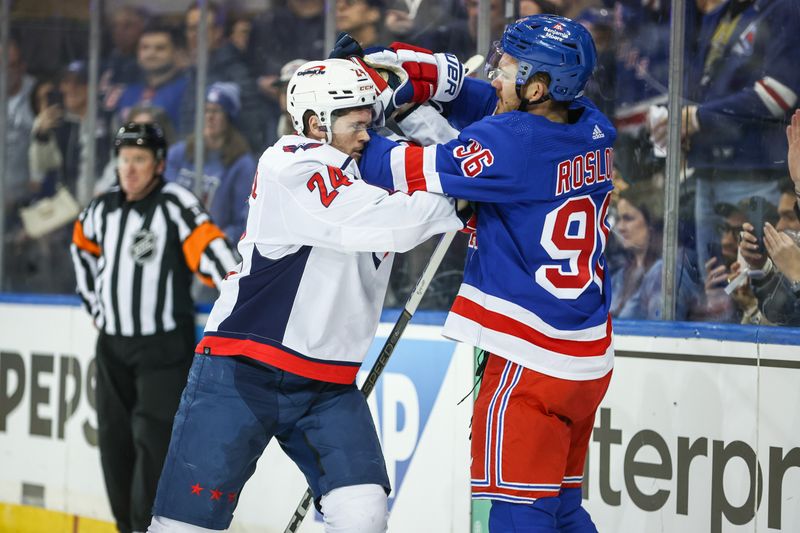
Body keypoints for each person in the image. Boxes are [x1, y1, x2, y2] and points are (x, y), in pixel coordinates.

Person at [147, 58, 463, 532]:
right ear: (316, 124)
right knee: (185, 527)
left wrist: (412, 108)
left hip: (325, 385)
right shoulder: (289, 163)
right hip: (240, 370)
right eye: (357, 124)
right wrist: (461, 191)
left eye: (370, 122)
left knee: (364, 515)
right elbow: (392, 220)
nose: (366, 136)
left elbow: (454, 159)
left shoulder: (372, 163)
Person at [356, 14, 616, 531]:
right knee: (563, 511)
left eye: (510, 67)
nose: (497, 73)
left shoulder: (511, 143)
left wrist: (357, 119)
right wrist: (439, 80)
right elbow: (502, 113)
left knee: (519, 518)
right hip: (586, 359)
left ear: (538, 86)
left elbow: (397, 169)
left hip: (529, 362)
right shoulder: (593, 126)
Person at [70, 123, 238, 533]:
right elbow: (81, 250)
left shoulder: (175, 203)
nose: (129, 168)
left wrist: (238, 293)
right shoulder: (101, 209)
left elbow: (211, 249)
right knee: (114, 445)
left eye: (140, 159)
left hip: (162, 349)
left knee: (152, 442)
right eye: (125, 159)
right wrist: (95, 305)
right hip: (112, 347)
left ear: (159, 164)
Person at [165, 82, 255, 244]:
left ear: (229, 117)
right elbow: (164, 198)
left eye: (216, 111)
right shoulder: (180, 153)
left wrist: (212, 243)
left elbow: (243, 223)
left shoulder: (242, 165)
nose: (209, 116)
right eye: (206, 110)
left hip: (212, 249)